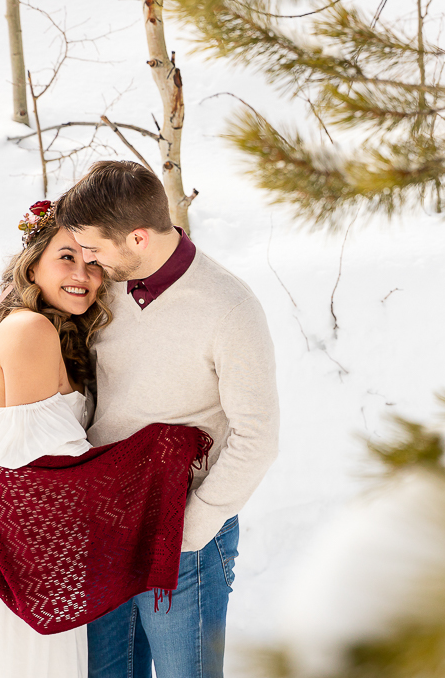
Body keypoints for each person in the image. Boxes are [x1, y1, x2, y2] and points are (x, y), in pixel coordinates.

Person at [55, 160, 279, 678]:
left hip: (183, 535)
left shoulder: (229, 307)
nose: (85, 260)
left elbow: (258, 436)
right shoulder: (104, 290)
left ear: (137, 237)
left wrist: (190, 530)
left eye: (93, 247)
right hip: (107, 524)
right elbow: (77, 397)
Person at [0, 200, 112, 678]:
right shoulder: (31, 328)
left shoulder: (63, 334)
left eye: (93, 261)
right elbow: (39, 476)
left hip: (40, 559)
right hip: (13, 566)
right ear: (32, 265)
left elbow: (21, 454)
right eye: (66, 256)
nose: (83, 272)